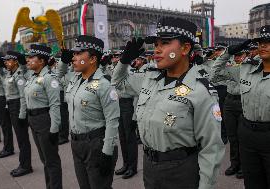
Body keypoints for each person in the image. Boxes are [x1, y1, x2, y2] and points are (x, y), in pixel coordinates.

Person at [112, 17, 225, 189]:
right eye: (156, 44)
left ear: (185, 48)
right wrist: (124, 61)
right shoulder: (149, 79)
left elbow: (211, 148)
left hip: (181, 171)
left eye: (164, 43)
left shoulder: (201, 91)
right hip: (150, 167)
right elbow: (118, 84)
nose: (156, 50)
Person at [64, 35, 119, 189]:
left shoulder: (104, 85)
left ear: (93, 59)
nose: (74, 58)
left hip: (96, 144)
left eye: (79, 53)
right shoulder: (75, 80)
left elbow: (112, 121)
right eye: (74, 54)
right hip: (77, 143)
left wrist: (107, 153)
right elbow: (59, 74)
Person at [223, 25, 270, 189]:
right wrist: (229, 51)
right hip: (248, 134)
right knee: (252, 182)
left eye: (268, 42)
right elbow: (216, 73)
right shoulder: (247, 68)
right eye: (260, 42)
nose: (262, 45)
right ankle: (237, 165)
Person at [24, 44, 62, 189]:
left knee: (51, 160)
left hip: (45, 120)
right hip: (33, 120)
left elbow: (55, 105)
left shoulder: (49, 78)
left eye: (32, 57)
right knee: (44, 159)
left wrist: (54, 129)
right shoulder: (33, 77)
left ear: (42, 61)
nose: (28, 60)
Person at [210, 48, 247, 179]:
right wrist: (226, 54)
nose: (237, 58)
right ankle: (234, 164)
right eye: (235, 56)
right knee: (232, 136)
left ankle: (244, 166)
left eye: (240, 55)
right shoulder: (231, 68)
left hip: (243, 102)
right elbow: (213, 74)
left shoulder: (250, 68)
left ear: (245, 55)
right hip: (230, 101)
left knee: (242, 137)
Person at [3, 51, 33, 177]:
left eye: (9, 60)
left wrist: (22, 114)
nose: (6, 62)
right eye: (5, 61)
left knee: (22, 139)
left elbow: (22, 96)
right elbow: (8, 92)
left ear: (15, 61)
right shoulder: (10, 74)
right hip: (12, 106)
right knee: (20, 138)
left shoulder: (19, 75)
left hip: (18, 107)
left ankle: (26, 166)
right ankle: (23, 164)